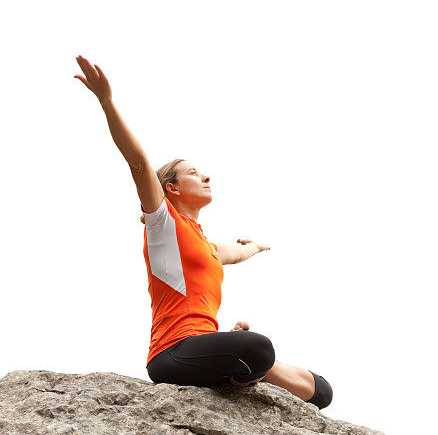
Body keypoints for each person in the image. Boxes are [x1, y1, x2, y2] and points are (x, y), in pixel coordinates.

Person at [73, 55, 332, 409]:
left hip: (205, 346)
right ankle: (247, 366)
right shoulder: (163, 224)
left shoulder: (207, 246)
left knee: (322, 392)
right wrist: (106, 100)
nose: (205, 177)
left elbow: (235, 254)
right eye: (194, 173)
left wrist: (254, 246)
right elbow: (137, 163)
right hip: (171, 353)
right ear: (173, 189)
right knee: (257, 347)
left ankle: (244, 365)